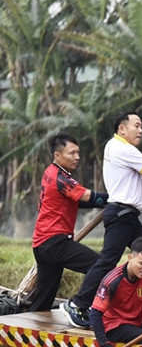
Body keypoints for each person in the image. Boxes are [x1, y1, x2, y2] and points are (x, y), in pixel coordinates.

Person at [61, 112, 142, 328]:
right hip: (121, 214)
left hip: (128, 215)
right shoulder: (120, 148)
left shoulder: (122, 149)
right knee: (107, 261)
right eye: (136, 125)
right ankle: (78, 304)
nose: (140, 130)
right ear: (121, 129)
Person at [29, 132, 108, 312]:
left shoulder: (51, 172)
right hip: (55, 242)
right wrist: (115, 199)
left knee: (44, 298)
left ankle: (33, 327)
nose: (77, 157)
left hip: (41, 244)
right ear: (57, 155)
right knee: (98, 265)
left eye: (78, 152)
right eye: (72, 153)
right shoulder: (61, 178)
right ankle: (78, 305)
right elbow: (87, 196)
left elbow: (78, 201)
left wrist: (105, 203)